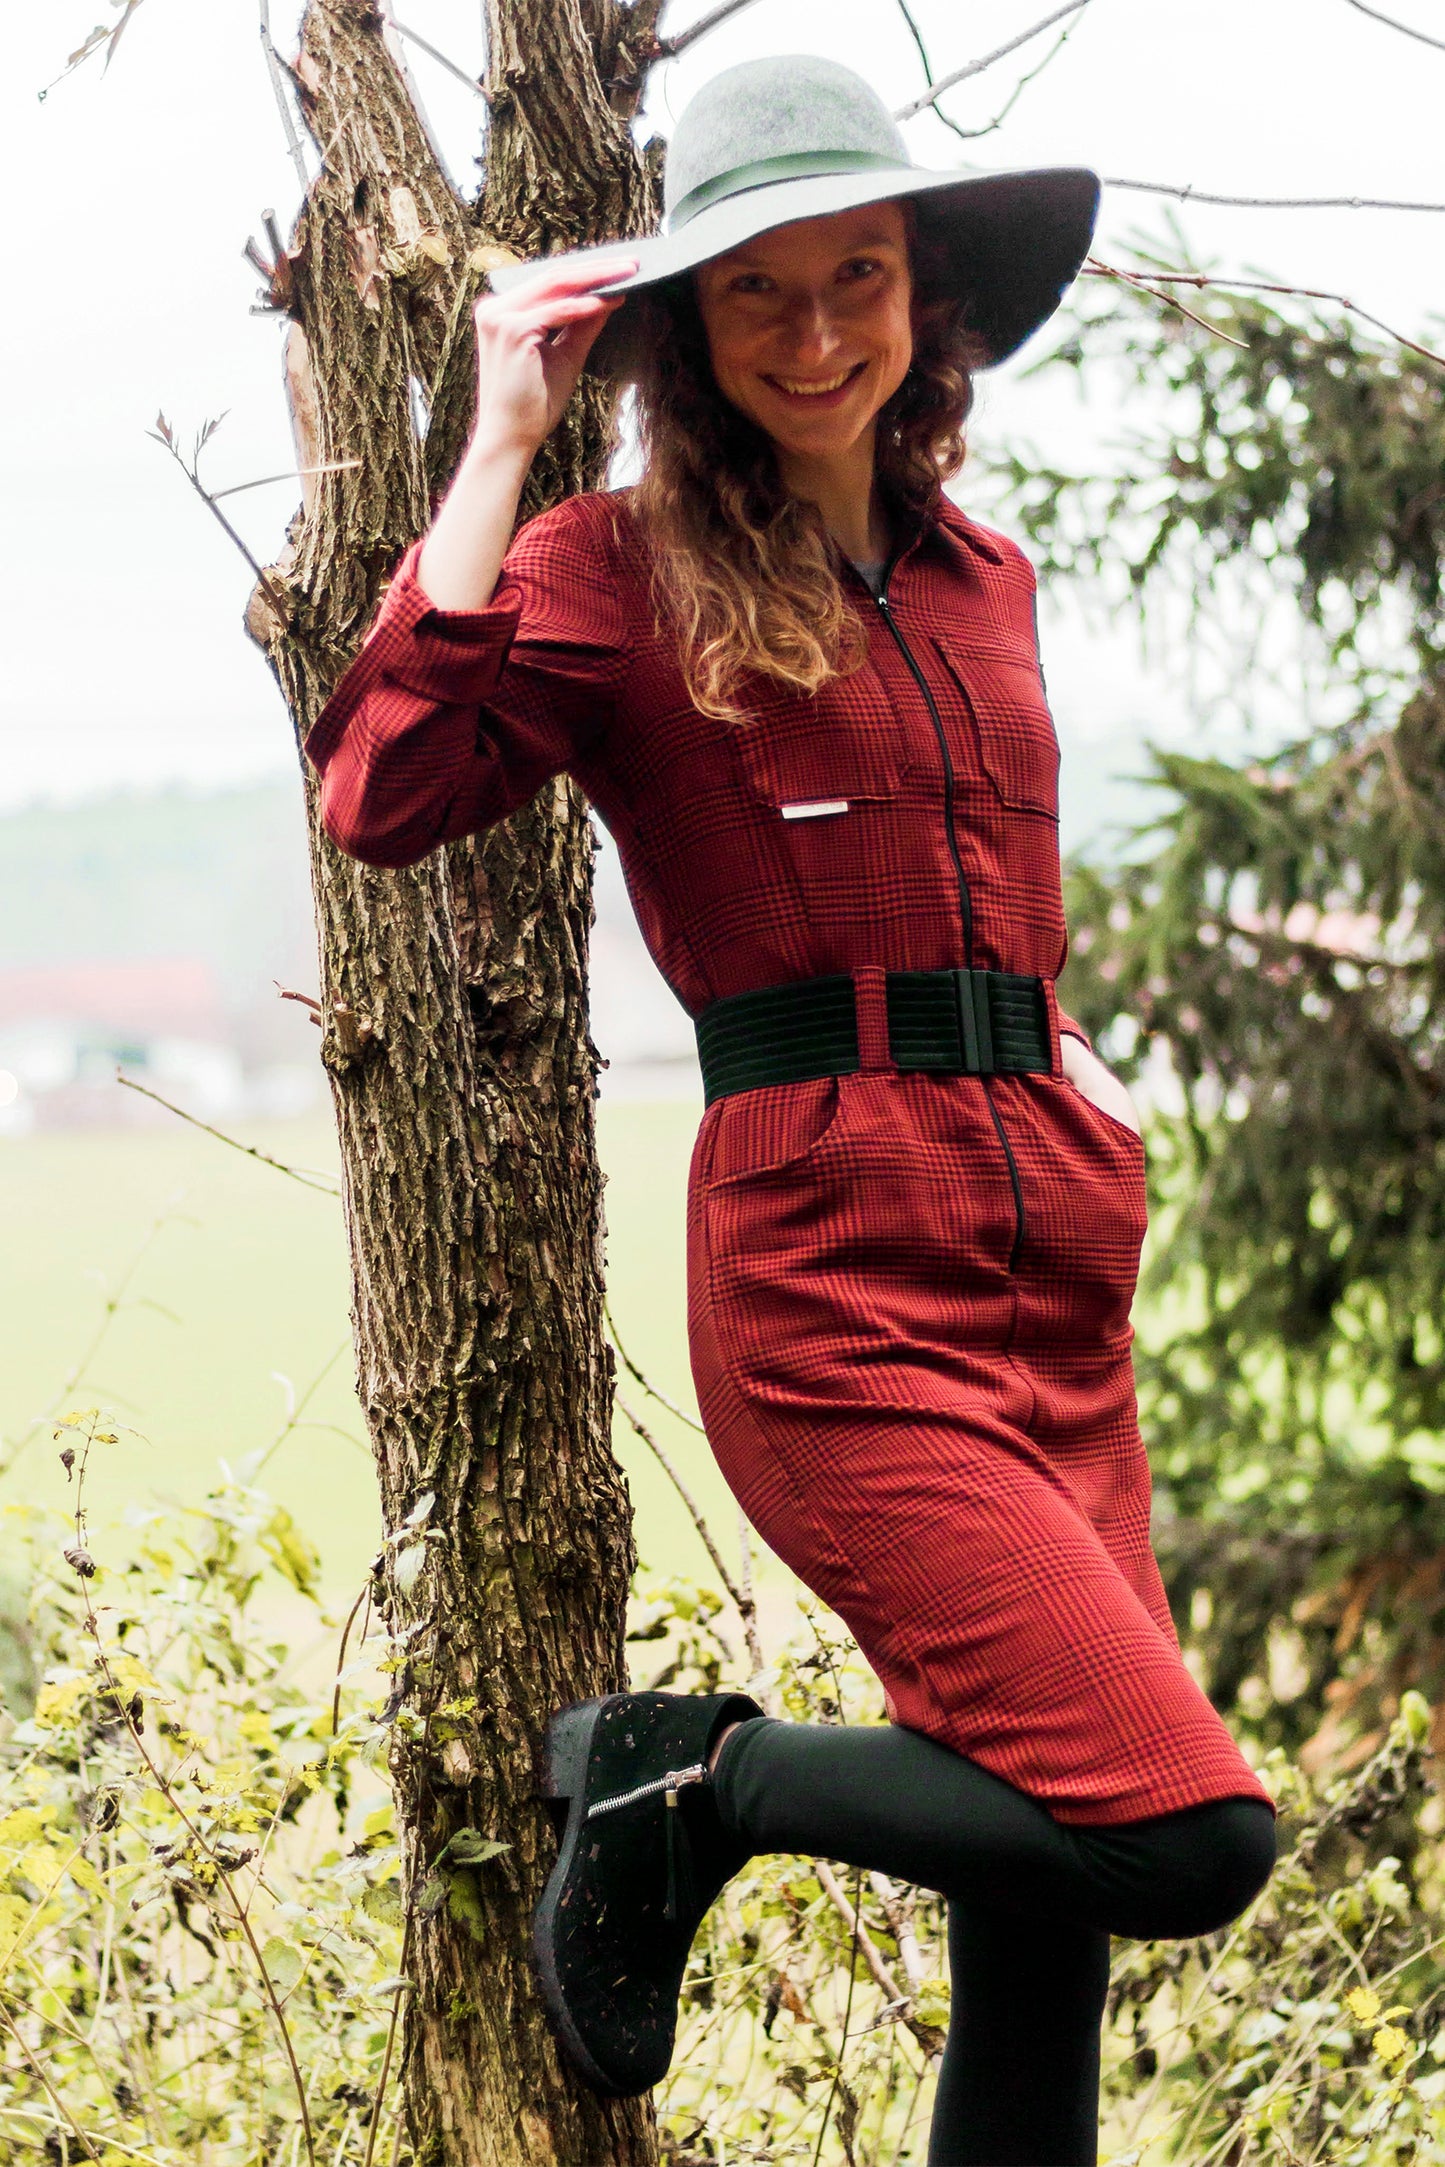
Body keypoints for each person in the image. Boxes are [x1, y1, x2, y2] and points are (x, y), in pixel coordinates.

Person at [306, 54, 1275, 2167]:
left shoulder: (982, 574)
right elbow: (382, 787)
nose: (818, 331)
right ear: (689, 329)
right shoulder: (611, 567)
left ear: (926, 296)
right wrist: (498, 438)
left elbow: (984, 882)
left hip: (1054, 1279)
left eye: (860, 277)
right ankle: (694, 1782)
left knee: (1045, 1925)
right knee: (1183, 1833)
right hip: (836, 1289)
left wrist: (1056, 1057)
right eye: (759, 290)